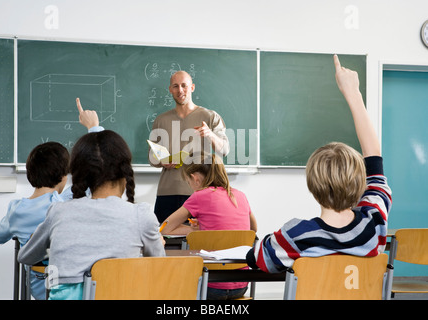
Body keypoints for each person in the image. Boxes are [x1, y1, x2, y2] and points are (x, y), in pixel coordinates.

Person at [246, 55, 392, 273]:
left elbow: (256, 259)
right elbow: (374, 158)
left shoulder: (295, 236)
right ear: (360, 182)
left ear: (312, 186)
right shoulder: (374, 225)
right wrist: (353, 93)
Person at [18, 128, 165, 300]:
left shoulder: (59, 212)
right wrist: (157, 243)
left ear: (80, 174)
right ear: (125, 174)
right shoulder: (141, 214)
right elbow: (159, 266)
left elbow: (25, 257)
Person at [0, 98, 103, 300]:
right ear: (63, 176)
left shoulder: (16, 209)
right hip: (67, 288)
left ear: (31, 174)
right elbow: (98, 172)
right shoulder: (63, 205)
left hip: (39, 290)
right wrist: (93, 128)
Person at [161, 152, 257, 300]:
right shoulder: (240, 195)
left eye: (188, 182)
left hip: (209, 285)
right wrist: (204, 228)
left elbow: (165, 228)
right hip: (241, 285)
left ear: (195, 179)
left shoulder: (199, 196)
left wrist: (196, 230)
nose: (190, 186)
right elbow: (253, 229)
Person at [149, 70, 230, 223]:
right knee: (164, 241)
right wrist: (162, 161)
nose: (180, 90)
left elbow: (224, 150)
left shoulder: (210, 117)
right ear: (170, 89)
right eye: (175, 86)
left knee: (198, 241)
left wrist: (210, 134)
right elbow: (152, 158)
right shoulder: (161, 120)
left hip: (200, 191)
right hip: (168, 193)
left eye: (184, 86)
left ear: (192, 87)